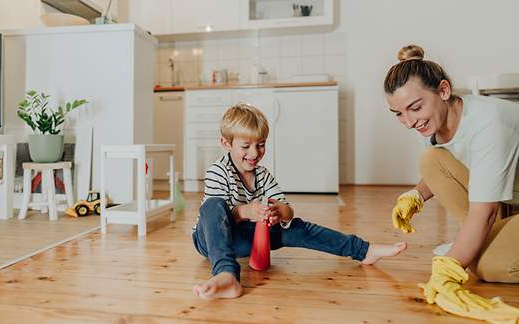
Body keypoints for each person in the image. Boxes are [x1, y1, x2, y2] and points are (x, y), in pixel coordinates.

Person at [191, 103, 407, 299]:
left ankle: (363, 251)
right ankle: (227, 275)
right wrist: (245, 212)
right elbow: (215, 217)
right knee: (213, 205)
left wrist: (279, 212)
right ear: (226, 143)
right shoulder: (218, 171)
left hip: (248, 237)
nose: (254, 153)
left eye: (261, 145)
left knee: (297, 227)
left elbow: (288, 211)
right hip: (210, 239)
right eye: (245, 146)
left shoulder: (263, 175)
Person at [385, 45, 519, 321]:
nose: (408, 122)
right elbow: (444, 166)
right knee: (431, 159)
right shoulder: (432, 120)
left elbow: (485, 211)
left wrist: (450, 268)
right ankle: (481, 239)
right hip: (511, 197)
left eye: (414, 108)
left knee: (489, 266)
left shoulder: (487, 124)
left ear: (443, 91)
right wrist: (416, 194)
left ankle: (479, 243)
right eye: (398, 113)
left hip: (501, 204)